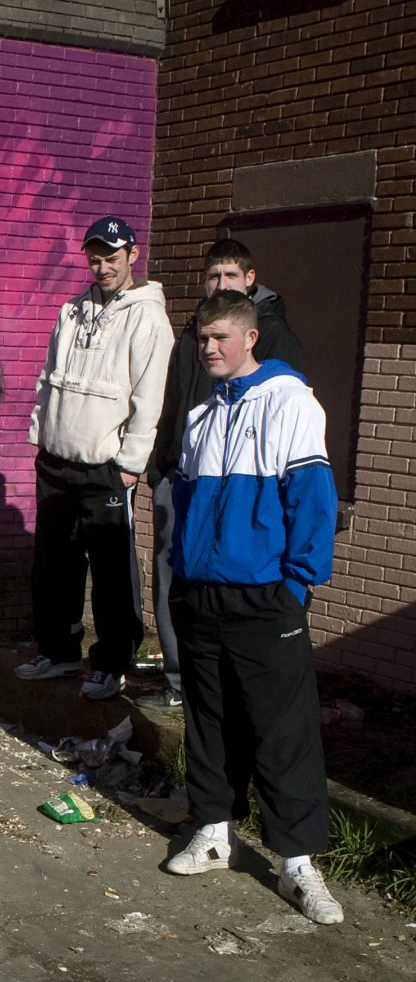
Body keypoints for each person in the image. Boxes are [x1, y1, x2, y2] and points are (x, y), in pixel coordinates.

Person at [162, 290, 341, 925]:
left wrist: (297, 583)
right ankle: (214, 831)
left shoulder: (290, 400)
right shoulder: (200, 415)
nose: (209, 348)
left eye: (220, 338)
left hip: (268, 596)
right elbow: (184, 503)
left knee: (281, 728)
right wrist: (183, 575)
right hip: (202, 595)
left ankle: (297, 864)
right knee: (209, 721)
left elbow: (314, 499)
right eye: (202, 338)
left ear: (249, 337)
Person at [140, 239, 305, 710]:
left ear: (250, 280)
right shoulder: (194, 334)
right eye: (213, 276)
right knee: (175, 576)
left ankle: (219, 686)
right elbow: (173, 401)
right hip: (184, 472)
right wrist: (160, 464)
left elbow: (284, 421)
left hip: (238, 482)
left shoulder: (271, 334)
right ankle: (178, 680)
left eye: (230, 276)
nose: (220, 284)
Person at [17, 216, 173, 701]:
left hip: (106, 467)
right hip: (58, 460)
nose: (103, 266)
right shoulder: (71, 310)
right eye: (95, 257)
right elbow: (48, 377)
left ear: (132, 254)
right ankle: (59, 652)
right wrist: (41, 437)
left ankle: (111, 663)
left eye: (112, 256)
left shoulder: (148, 317)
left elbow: (150, 398)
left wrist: (130, 464)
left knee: (110, 571)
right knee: (54, 563)